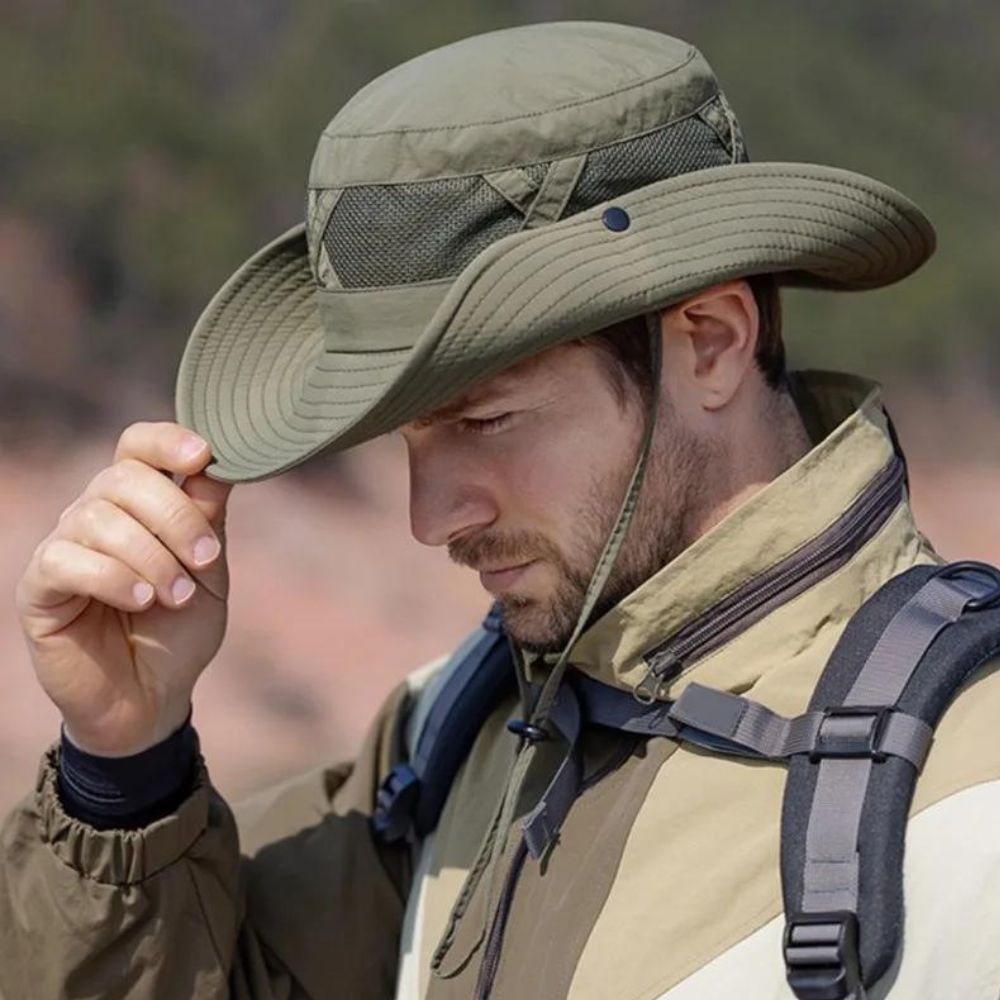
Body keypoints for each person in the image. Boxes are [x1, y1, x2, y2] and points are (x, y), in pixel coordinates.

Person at [2, 20, 999, 1000]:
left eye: (485, 420)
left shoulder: (970, 793)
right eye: (407, 437)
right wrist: (124, 763)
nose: (429, 518)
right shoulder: (449, 735)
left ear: (710, 341)